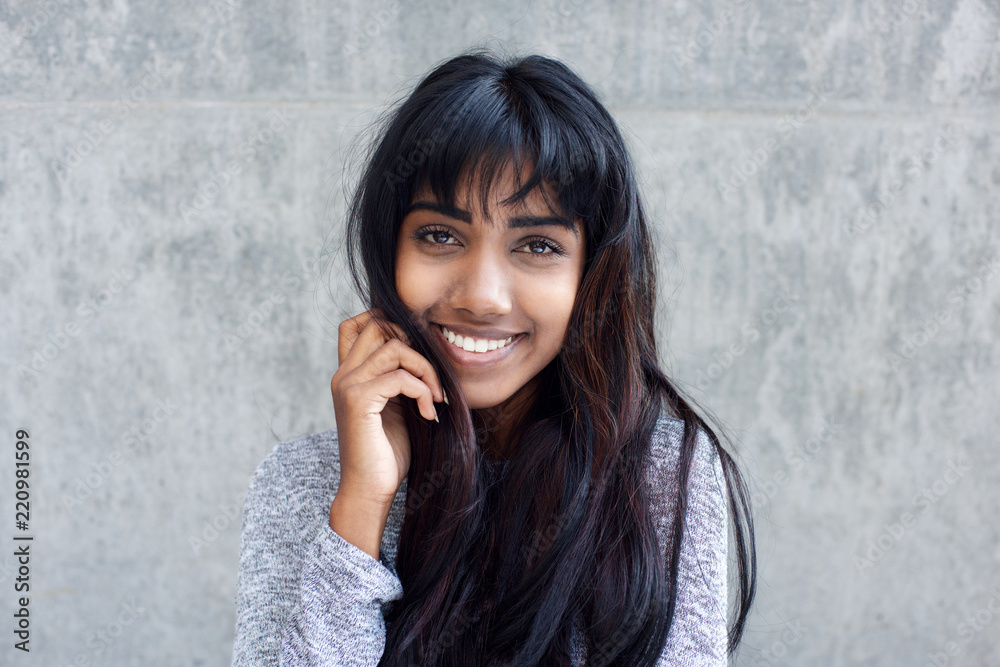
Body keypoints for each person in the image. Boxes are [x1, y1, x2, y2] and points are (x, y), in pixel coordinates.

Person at [233, 48, 756, 666]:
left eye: (537, 245)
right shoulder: (306, 483)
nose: (481, 295)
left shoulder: (662, 478)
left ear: (593, 275)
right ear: (387, 250)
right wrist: (362, 506)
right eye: (439, 235)